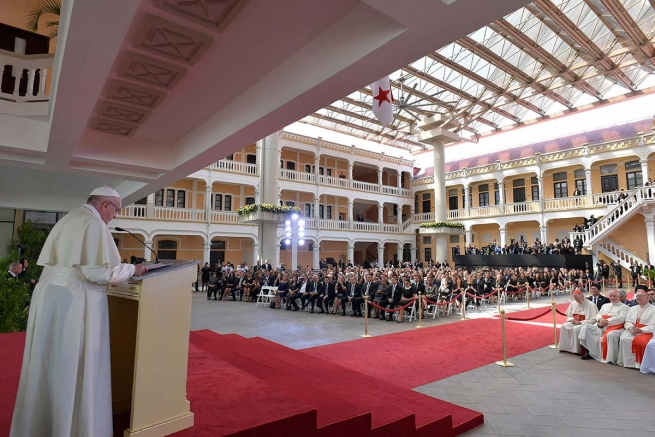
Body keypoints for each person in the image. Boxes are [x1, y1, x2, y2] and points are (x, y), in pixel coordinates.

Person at [10, 186, 147, 437]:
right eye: (116, 209)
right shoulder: (94, 224)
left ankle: (44, 426)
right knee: (73, 361)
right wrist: (132, 270)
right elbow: (99, 273)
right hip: (75, 300)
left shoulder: (69, 218)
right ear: (105, 205)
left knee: (50, 359)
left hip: (51, 296)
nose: (115, 215)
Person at [579, 289, 628, 363]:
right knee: (585, 328)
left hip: (614, 326)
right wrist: (600, 319)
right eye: (610, 296)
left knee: (611, 335)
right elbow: (598, 314)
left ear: (619, 297)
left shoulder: (625, 307)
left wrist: (607, 321)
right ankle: (590, 351)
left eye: (614, 296)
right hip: (601, 324)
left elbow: (621, 318)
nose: (612, 298)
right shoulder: (605, 305)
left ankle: (610, 357)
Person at [618, 290, 655, 369]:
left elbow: (653, 325)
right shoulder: (632, 309)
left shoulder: (653, 309)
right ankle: (629, 363)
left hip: (647, 331)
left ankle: (640, 364)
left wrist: (641, 330)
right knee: (624, 338)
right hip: (632, 330)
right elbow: (627, 321)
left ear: (647, 297)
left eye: (641, 296)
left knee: (642, 342)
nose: (638, 298)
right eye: (637, 296)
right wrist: (631, 328)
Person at [558, 289, 598, 354]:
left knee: (575, 329)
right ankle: (565, 347)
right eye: (576, 299)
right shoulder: (573, 303)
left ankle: (576, 350)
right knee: (563, 326)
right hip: (574, 322)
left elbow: (593, 320)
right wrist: (571, 319)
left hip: (585, 323)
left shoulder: (591, 305)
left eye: (578, 299)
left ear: (582, 296)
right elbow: (569, 315)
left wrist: (581, 322)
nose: (577, 301)